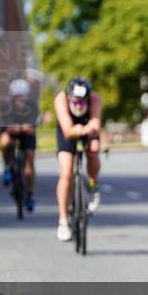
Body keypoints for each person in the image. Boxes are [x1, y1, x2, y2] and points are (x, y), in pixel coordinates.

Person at [54, 76, 103, 242]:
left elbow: (95, 125)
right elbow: (67, 131)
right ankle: (63, 221)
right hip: (67, 130)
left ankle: (92, 185)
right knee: (66, 172)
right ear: (68, 98)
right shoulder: (60, 99)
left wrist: (88, 129)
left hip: (87, 129)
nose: (79, 105)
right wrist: (78, 130)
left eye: (83, 101)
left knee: (94, 150)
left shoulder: (95, 100)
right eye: (75, 101)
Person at [0, 78, 39, 212]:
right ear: (11, 97)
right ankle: (7, 167)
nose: (20, 100)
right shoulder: (6, 106)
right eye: (17, 97)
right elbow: (8, 127)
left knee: (29, 157)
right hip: (12, 132)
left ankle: (30, 193)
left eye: (22, 97)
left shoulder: (33, 106)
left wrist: (22, 128)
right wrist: (21, 128)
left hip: (27, 134)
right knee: (5, 142)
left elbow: (33, 128)